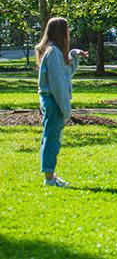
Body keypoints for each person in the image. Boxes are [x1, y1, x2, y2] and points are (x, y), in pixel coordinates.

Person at [36, 17, 88, 187]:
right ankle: (49, 178)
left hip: (51, 101)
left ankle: (51, 174)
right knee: (52, 138)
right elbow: (58, 85)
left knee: (51, 137)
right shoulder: (53, 53)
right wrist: (66, 110)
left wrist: (74, 55)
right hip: (53, 102)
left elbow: (66, 73)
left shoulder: (54, 51)